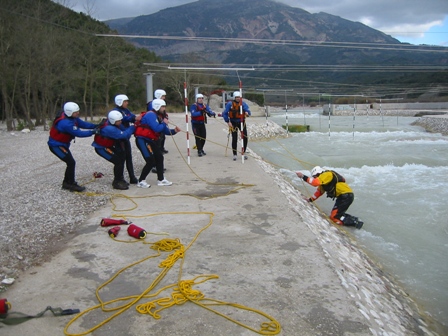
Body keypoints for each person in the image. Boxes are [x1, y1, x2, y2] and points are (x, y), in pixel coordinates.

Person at [48, 102, 97, 192]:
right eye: (76, 112)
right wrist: (93, 132)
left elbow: (83, 124)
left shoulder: (72, 118)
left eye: (78, 111)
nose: (78, 113)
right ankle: (69, 183)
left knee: (70, 163)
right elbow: (79, 133)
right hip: (56, 146)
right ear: (69, 112)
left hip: (62, 144)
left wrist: (95, 126)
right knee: (71, 162)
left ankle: (67, 182)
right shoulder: (66, 123)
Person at [296, 166, 363, 229]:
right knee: (335, 215)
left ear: (319, 173)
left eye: (315, 176)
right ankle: (354, 220)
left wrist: (302, 176)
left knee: (334, 217)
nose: (315, 178)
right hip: (343, 196)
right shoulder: (324, 183)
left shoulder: (327, 174)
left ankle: (354, 224)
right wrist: (309, 200)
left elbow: (314, 183)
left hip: (345, 195)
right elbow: (318, 193)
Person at [134, 99, 181, 187]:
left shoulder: (158, 116)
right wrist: (163, 123)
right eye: (163, 107)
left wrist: (174, 131)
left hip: (150, 140)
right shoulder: (150, 115)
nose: (164, 109)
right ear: (157, 107)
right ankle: (141, 181)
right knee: (150, 161)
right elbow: (156, 128)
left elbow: (164, 130)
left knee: (159, 157)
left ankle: (161, 179)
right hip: (142, 140)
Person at [92, 111, 136, 190]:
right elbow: (124, 135)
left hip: (108, 146)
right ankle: (116, 182)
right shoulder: (109, 128)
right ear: (113, 121)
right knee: (118, 161)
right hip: (101, 148)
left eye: (120, 120)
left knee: (122, 157)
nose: (120, 122)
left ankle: (120, 178)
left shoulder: (115, 124)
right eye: (119, 121)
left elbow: (124, 130)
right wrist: (133, 127)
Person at [112, 94, 140, 184]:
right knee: (121, 159)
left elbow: (131, 116)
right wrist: (133, 119)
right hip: (119, 139)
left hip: (125, 137)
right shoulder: (115, 112)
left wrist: (136, 118)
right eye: (125, 101)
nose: (127, 103)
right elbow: (125, 118)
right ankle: (120, 178)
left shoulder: (126, 110)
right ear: (120, 102)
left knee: (129, 157)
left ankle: (132, 177)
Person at [222, 91, 251, 161]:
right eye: (237, 97)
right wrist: (228, 122)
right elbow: (225, 113)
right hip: (233, 122)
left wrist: (247, 113)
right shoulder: (229, 104)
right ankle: (234, 154)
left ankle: (243, 152)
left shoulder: (243, 104)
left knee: (245, 137)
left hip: (241, 122)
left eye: (239, 97)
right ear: (234, 97)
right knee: (234, 138)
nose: (238, 98)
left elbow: (248, 111)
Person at [147, 89, 168, 154]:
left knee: (163, 136)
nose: (164, 98)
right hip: (156, 122)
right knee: (159, 136)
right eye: (163, 96)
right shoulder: (152, 104)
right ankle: (158, 149)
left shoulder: (161, 103)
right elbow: (154, 113)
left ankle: (161, 148)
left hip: (161, 120)